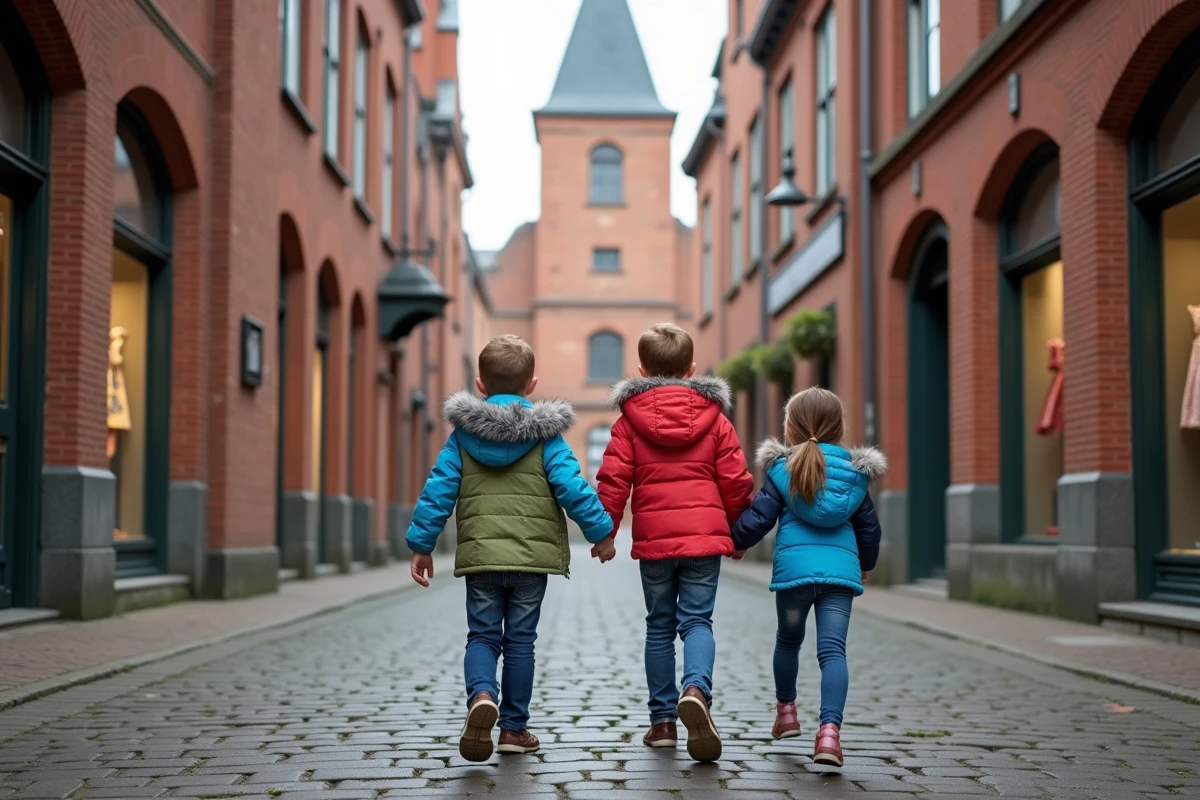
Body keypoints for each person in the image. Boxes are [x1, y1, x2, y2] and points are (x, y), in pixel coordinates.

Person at [406, 334, 613, 763]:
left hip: (482, 557)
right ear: (531, 385)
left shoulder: (462, 436)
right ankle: (514, 730)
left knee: (482, 635)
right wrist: (601, 533)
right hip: (529, 563)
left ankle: (482, 696)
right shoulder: (547, 437)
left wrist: (422, 544)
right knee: (521, 642)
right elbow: (572, 487)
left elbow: (439, 490)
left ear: (480, 385)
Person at [593, 322, 755, 762]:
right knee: (698, 622)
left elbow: (612, 479)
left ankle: (663, 723)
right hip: (705, 543)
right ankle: (697, 690)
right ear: (692, 368)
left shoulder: (629, 422)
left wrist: (605, 532)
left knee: (660, 626)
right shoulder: (716, 420)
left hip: (656, 543)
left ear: (643, 369)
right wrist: (739, 533)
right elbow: (736, 481)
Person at [729, 387, 885, 768]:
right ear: (840, 427)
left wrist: (735, 541)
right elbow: (870, 529)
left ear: (791, 428)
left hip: (795, 578)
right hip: (839, 578)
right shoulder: (854, 476)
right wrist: (866, 564)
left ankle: (786, 714)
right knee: (833, 652)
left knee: (788, 642)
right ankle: (830, 734)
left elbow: (759, 516)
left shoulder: (784, 470)